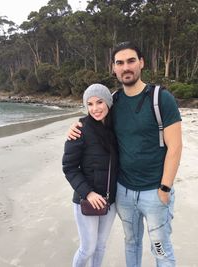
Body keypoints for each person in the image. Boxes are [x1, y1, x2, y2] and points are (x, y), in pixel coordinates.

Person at [67, 41, 182, 267]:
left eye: (131, 61)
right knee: (131, 243)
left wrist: (165, 188)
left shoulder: (161, 99)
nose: (125, 67)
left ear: (141, 63)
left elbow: (175, 147)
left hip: (155, 192)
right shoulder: (114, 101)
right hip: (124, 193)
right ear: (113, 68)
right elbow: (94, 119)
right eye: (120, 63)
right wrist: (73, 127)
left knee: (160, 248)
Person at [62, 83, 118, 267]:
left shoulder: (116, 128)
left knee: (101, 246)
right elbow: (69, 167)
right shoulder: (80, 129)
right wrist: (88, 193)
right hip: (86, 201)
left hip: (110, 200)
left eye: (99, 102)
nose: (95, 109)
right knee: (88, 248)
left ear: (108, 103)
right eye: (90, 104)